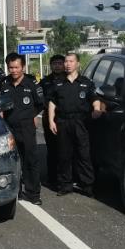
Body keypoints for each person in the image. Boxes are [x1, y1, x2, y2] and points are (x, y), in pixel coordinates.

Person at [47, 53, 102, 197]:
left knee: (83, 154)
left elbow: (95, 98)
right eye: (66, 61)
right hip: (63, 122)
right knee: (64, 155)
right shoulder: (58, 83)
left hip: (81, 122)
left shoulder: (86, 82)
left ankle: (87, 185)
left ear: (78, 64)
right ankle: (65, 185)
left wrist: (96, 109)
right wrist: (51, 120)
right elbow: (52, 103)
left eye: (71, 61)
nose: (67, 64)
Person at [0, 53, 44, 205]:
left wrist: (32, 115)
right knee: (12, 161)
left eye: (17, 67)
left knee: (31, 160)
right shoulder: (4, 83)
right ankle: (16, 191)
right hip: (9, 128)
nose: (14, 70)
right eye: (11, 67)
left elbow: (40, 103)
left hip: (26, 127)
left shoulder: (31, 83)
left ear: (23, 67)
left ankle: (33, 193)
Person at [39, 54, 65, 189]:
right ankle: (52, 178)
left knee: (66, 149)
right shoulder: (45, 82)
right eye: (55, 63)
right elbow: (39, 99)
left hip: (65, 118)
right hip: (49, 119)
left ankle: (66, 178)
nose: (57, 66)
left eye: (60, 63)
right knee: (52, 149)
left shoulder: (69, 79)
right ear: (51, 66)